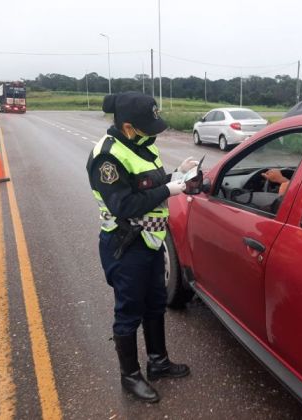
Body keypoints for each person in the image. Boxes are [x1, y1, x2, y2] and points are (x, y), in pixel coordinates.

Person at [86, 92, 197, 403]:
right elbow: (123, 204)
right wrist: (171, 188)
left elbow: (147, 184)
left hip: (150, 241)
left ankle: (158, 362)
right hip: (124, 244)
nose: (154, 131)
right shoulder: (107, 156)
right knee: (129, 311)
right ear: (128, 126)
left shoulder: (142, 146)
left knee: (155, 302)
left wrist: (179, 173)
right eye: (147, 126)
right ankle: (130, 376)